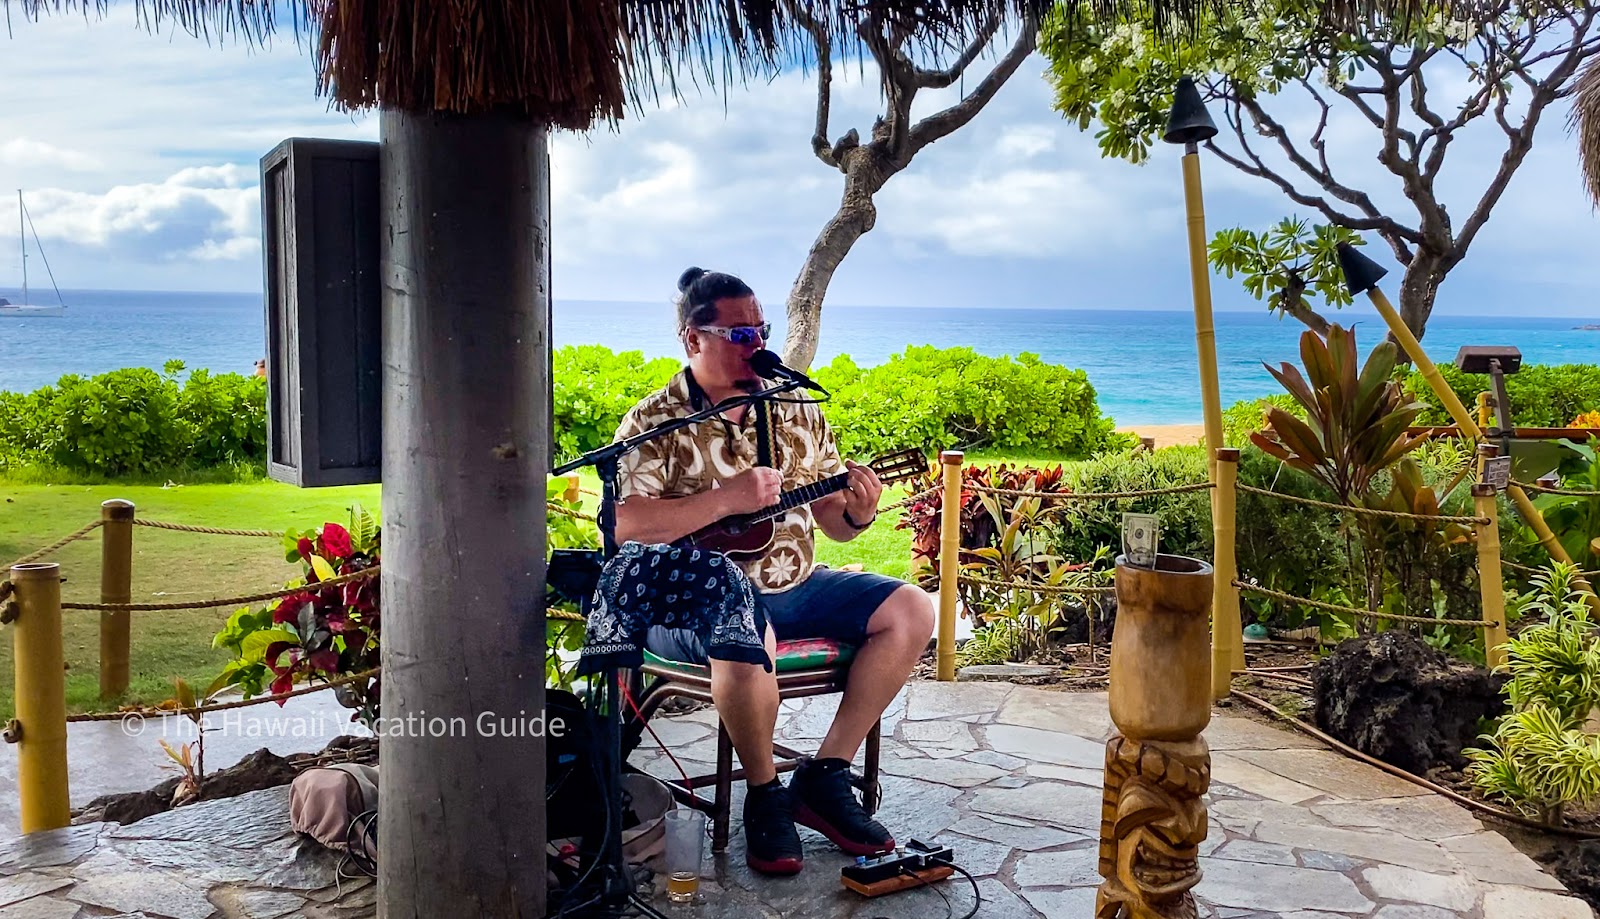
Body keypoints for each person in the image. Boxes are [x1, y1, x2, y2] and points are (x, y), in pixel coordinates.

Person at [611, 267, 935, 876]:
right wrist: (725, 500)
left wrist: (858, 513)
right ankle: (764, 795)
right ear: (691, 339)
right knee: (743, 631)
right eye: (736, 334)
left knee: (913, 609)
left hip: (796, 585)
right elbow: (625, 524)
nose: (755, 344)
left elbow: (833, 521)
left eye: (759, 329)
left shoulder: (794, 411)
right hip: (686, 605)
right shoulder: (654, 421)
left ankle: (824, 774)